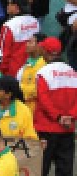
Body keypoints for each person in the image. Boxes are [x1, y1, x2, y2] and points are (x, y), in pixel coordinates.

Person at [34, 36, 77, 176]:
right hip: (67, 128)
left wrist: (58, 117)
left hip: (46, 128)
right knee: (65, 169)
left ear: (46, 52)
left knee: (42, 168)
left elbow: (43, 99)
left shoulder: (43, 73)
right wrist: (71, 117)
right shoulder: (73, 72)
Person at [0, 0, 39, 77]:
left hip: (12, 72)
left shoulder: (8, 26)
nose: (7, 6)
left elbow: (3, 53)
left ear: (17, 7)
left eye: (9, 3)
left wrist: (1, 74)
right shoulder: (35, 21)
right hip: (30, 70)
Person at [17, 32, 46, 114]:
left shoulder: (43, 65)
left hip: (34, 110)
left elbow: (38, 89)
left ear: (39, 45)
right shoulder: (26, 61)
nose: (26, 44)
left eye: (30, 42)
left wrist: (17, 90)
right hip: (23, 107)